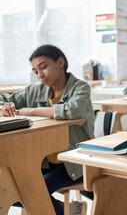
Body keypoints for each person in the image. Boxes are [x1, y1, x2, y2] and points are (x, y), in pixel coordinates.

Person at [0, 44, 94, 215]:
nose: (39, 75)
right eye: (35, 71)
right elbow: (3, 98)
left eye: (43, 67)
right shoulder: (35, 91)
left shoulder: (80, 87)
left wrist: (31, 111)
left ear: (60, 62)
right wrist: (3, 107)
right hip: (43, 161)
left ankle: (63, 211)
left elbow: (74, 110)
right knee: (7, 191)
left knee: (30, 193)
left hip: (75, 162)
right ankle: (69, 210)